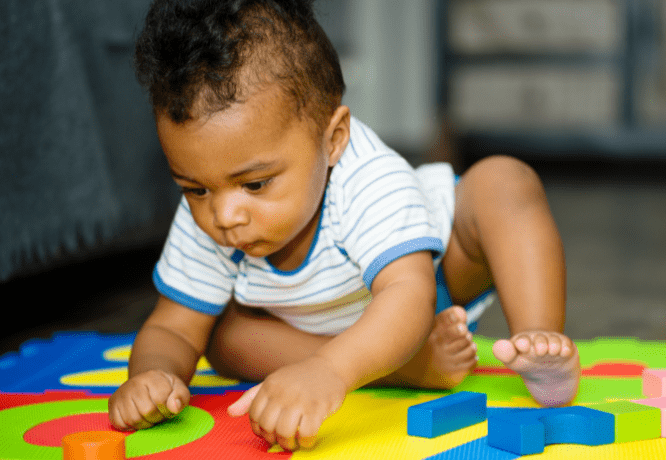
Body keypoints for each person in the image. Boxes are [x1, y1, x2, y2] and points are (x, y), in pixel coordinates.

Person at [108, 0, 580, 451]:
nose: (225, 216)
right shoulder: (210, 214)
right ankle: (405, 367)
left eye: (254, 185)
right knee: (220, 337)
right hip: (311, 326)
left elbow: (410, 298)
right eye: (196, 189)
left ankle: (538, 346)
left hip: (431, 276)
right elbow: (172, 328)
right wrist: (151, 376)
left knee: (503, 181)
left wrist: (329, 372)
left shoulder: (367, 178)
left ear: (332, 140)